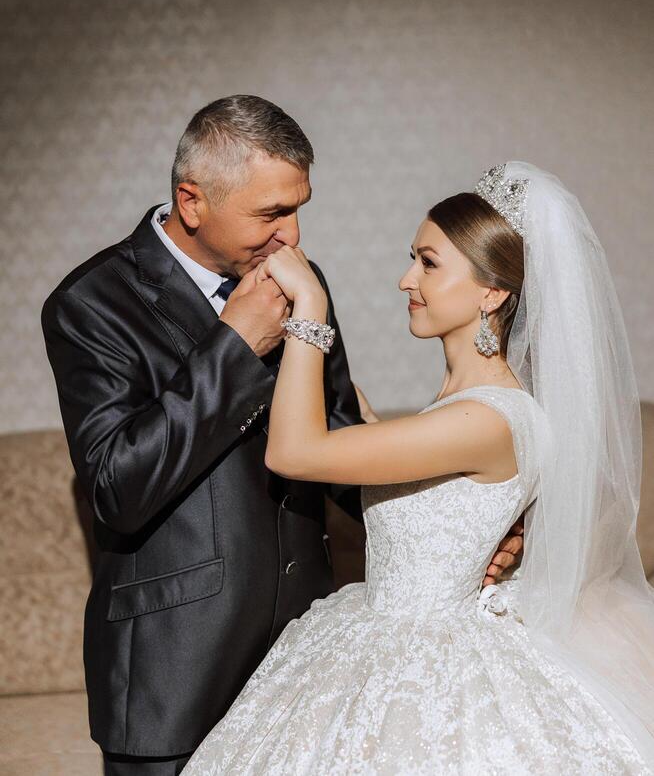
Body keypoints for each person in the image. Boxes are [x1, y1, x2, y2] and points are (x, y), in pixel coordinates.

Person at [41, 97, 520, 776]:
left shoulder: (302, 283)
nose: (292, 237)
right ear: (192, 200)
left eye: (299, 209)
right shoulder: (91, 303)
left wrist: (456, 525)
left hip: (305, 660)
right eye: (271, 214)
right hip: (173, 667)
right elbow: (118, 487)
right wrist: (235, 346)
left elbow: (340, 440)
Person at [184, 162, 654, 775]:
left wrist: (311, 305)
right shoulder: (463, 412)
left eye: (429, 263)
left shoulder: (487, 419)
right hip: (377, 631)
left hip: (427, 656)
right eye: (413, 258)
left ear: (492, 292)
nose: (407, 279)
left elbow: (293, 453)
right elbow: (420, 484)